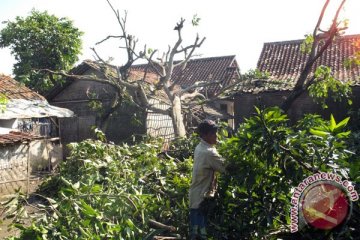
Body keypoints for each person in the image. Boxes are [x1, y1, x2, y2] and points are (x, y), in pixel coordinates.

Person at [189, 119, 226, 240]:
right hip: (202, 199)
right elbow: (226, 168)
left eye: (216, 133)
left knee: (195, 231)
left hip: (195, 196)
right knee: (202, 234)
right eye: (213, 134)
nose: (216, 136)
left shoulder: (200, 147)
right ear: (204, 136)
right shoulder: (209, 152)